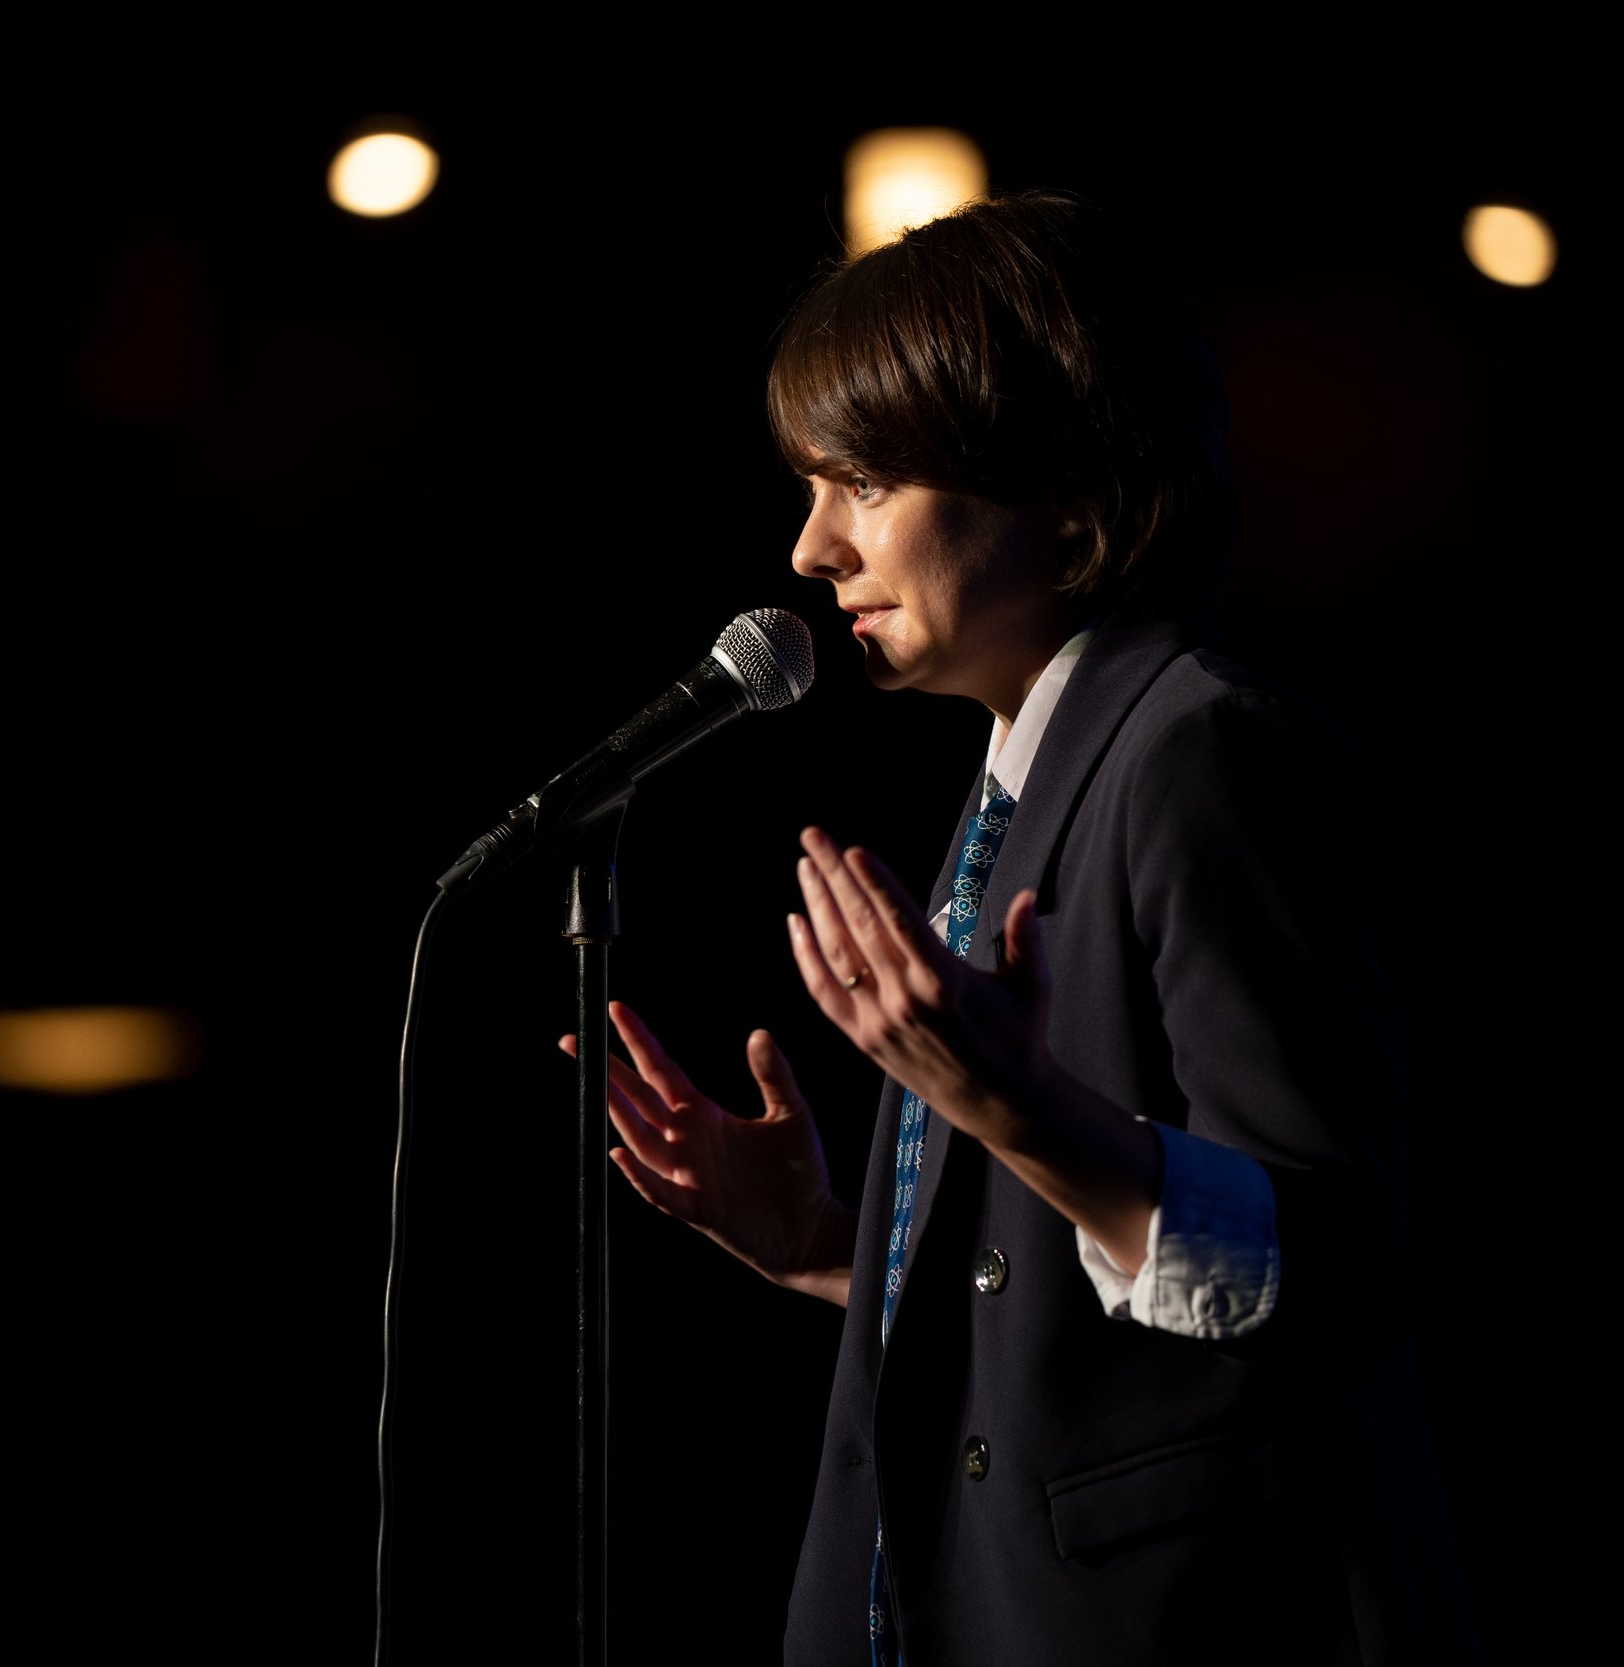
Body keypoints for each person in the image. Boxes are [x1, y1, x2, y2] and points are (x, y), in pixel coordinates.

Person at [567, 191, 1477, 1665]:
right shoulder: (1020, 778)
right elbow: (1080, 1298)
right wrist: (825, 1247)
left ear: (1059, 484)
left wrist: (1016, 1107)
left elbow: (1334, 1270)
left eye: (861, 481)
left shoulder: (1204, 750)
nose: (810, 549)